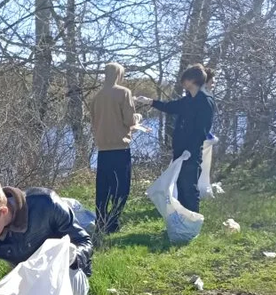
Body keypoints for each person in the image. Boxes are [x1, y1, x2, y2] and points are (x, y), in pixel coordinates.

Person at [137, 64, 215, 214]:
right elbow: (170, 107)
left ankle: (192, 222)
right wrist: (150, 102)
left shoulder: (205, 101)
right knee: (181, 186)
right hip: (180, 151)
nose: (183, 83)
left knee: (189, 188)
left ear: (192, 81)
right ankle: (182, 220)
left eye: (185, 80)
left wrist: (190, 151)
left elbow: (202, 130)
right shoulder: (187, 100)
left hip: (191, 153)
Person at [89, 62, 136, 233]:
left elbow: (94, 122)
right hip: (120, 149)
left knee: (103, 189)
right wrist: (137, 118)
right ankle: (113, 222)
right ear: (118, 75)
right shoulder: (124, 93)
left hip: (102, 150)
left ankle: (101, 221)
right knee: (121, 188)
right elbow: (129, 121)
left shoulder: (97, 97)